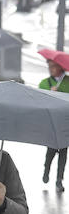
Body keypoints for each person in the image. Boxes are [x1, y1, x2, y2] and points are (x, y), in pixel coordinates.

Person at [39, 59, 69, 192]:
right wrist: (50, 93)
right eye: (49, 66)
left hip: (65, 124)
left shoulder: (67, 82)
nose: (50, 68)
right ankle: (46, 170)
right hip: (51, 124)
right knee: (50, 152)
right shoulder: (45, 83)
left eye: (53, 66)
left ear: (60, 67)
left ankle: (59, 180)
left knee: (63, 153)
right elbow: (39, 101)